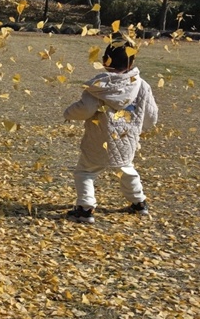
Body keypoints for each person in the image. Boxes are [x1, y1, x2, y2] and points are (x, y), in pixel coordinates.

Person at [63, 34, 159, 223]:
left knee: (86, 171)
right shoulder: (142, 86)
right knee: (127, 169)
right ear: (131, 63)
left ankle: (85, 207)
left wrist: (69, 113)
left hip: (99, 140)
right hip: (127, 138)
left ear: (105, 62)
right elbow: (150, 114)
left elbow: (86, 109)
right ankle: (139, 202)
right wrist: (143, 128)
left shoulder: (99, 86)